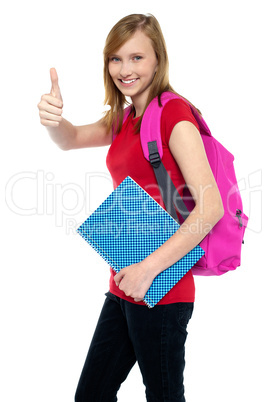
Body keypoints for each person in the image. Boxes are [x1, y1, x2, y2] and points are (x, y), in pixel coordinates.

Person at [37, 13, 224, 402]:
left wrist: (146, 270)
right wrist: (53, 120)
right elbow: (69, 139)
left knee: (164, 396)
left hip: (162, 288)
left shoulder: (173, 114)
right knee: (91, 395)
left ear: (158, 59)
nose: (125, 69)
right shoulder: (125, 118)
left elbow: (210, 208)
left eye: (137, 57)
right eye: (116, 58)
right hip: (124, 283)